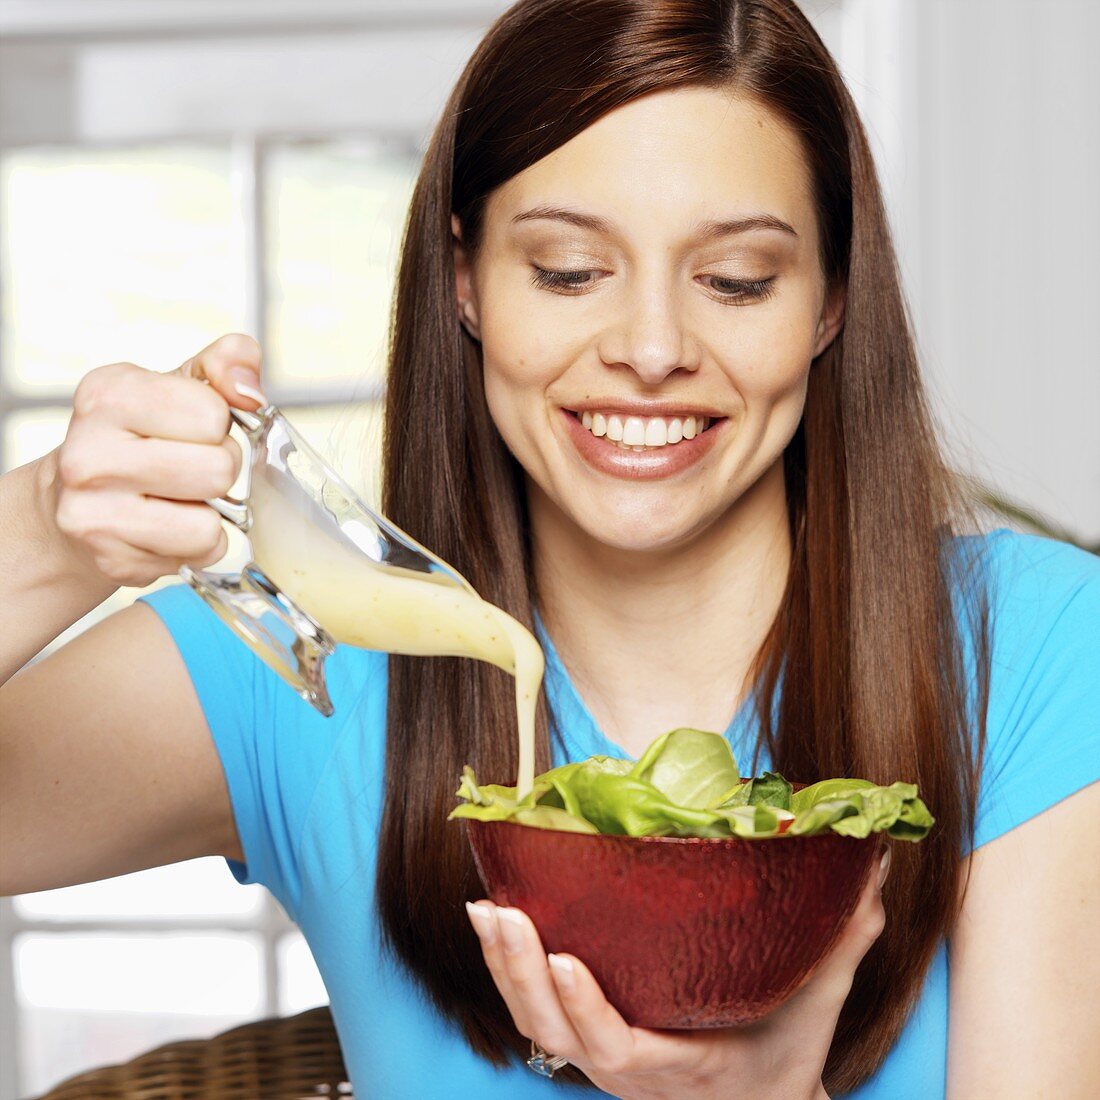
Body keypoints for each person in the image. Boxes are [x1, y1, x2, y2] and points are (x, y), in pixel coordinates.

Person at [2, 0, 1098, 1096]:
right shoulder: (305, 669)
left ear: (827, 302)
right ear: (467, 279)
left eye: (736, 280)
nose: (651, 349)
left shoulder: (1034, 656)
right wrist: (46, 533)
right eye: (569, 270)